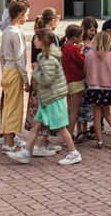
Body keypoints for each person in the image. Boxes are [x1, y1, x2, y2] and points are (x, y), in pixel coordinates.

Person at [8, 29, 83, 166]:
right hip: (46, 98)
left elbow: (47, 79)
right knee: (36, 126)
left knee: (61, 127)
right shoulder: (44, 56)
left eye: (36, 38)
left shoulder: (48, 58)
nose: (34, 41)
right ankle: (26, 152)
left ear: (43, 41)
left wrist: (36, 72)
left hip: (53, 98)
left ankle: (74, 153)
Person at [0, 0, 30, 153]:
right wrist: (26, 79)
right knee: (14, 107)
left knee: (8, 106)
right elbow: (19, 58)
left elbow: (1, 56)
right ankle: (9, 141)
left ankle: (7, 139)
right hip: (15, 71)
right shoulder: (16, 33)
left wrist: (4, 70)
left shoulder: (6, 31)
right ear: (20, 14)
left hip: (7, 70)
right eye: (26, 14)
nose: (27, 17)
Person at [84, 25, 111, 147]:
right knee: (107, 112)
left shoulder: (89, 55)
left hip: (93, 88)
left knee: (96, 115)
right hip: (107, 88)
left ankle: (99, 140)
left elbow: (85, 70)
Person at [60, 24, 87, 133]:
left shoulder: (64, 47)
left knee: (69, 108)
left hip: (66, 81)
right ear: (75, 37)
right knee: (74, 111)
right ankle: (69, 134)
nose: (82, 38)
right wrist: (81, 51)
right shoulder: (73, 49)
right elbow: (83, 62)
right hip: (76, 81)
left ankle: (67, 132)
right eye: (80, 36)